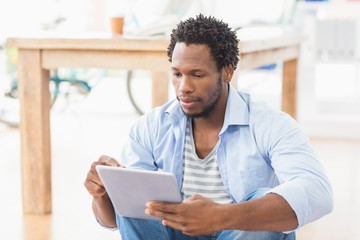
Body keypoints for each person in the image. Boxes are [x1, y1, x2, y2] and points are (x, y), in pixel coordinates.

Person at [84, 14, 333, 240]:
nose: (184, 87)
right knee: (139, 200)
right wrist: (103, 195)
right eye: (177, 74)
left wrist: (220, 216)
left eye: (197, 75)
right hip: (178, 234)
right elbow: (118, 220)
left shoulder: (270, 124)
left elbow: (317, 192)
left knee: (262, 201)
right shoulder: (152, 125)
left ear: (227, 71)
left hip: (240, 234)